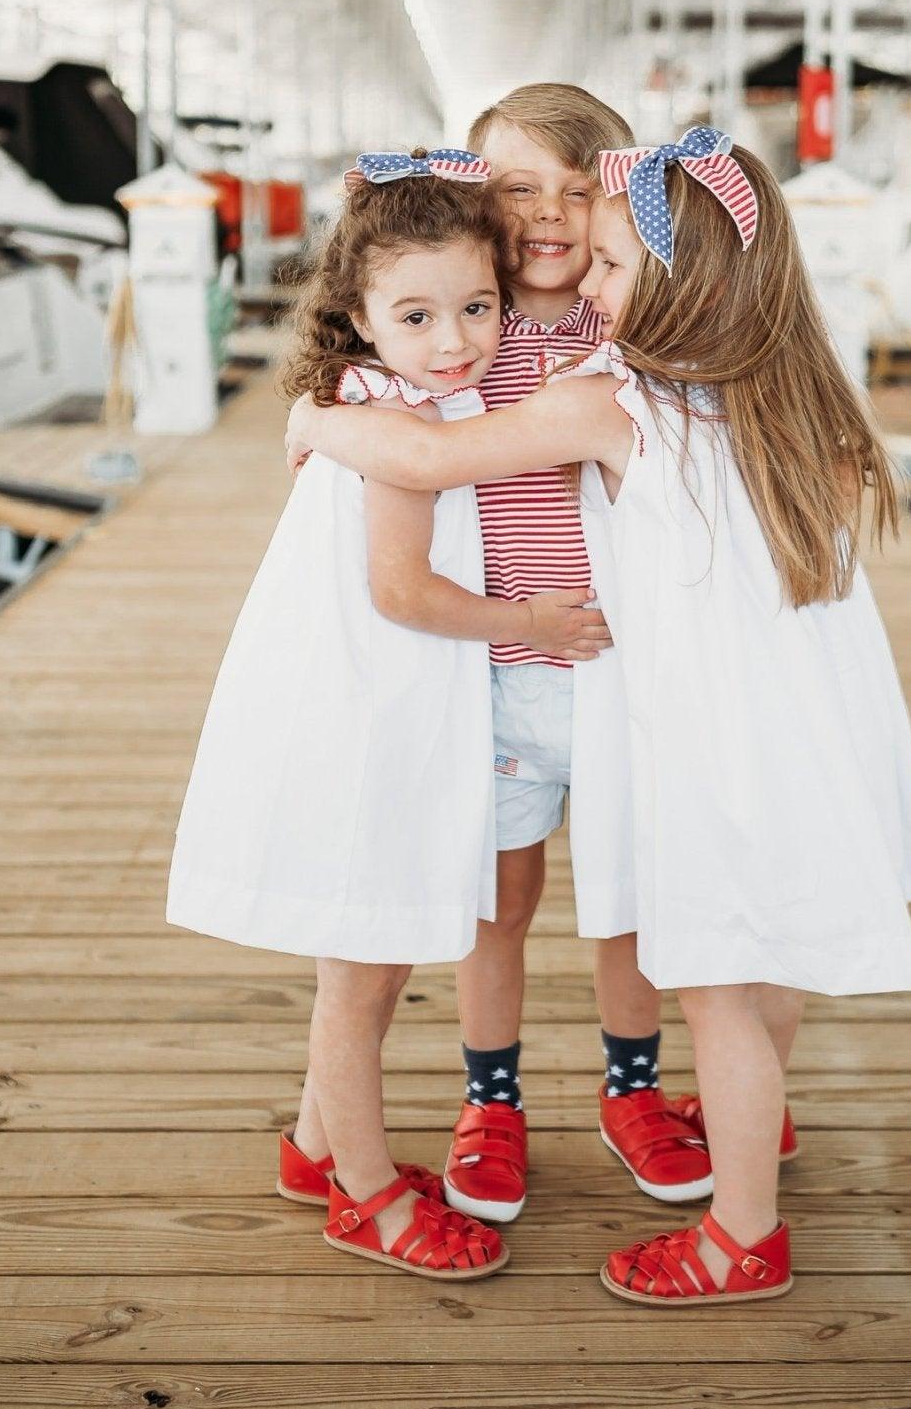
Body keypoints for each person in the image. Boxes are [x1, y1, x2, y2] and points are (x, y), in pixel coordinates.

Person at [285, 126, 911, 1307]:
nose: (589, 291)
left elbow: (433, 462)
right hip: (808, 723)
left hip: (707, 730)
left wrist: (313, 422)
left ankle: (739, 1233)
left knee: (717, 985)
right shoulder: (791, 390)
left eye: (609, 266)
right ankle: (737, 1116)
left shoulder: (614, 403)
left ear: (678, 282)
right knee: (764, 965)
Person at [167, 149, 609, 1282]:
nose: (455, 337)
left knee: (369, 958)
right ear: (356, 315)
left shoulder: (383, 399)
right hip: (366, 711)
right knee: (360, 976)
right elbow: (402, 591)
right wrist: (534, 621)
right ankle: (366, 1197)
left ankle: (315, 1149)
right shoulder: (396, 420)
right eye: (416, 313)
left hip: (368, 697)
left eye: (475, 306)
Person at [442, 84, 715, 1228]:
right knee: (497, 902)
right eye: (517, 188)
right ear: (476, 197)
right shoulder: (456, 321)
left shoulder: (627, 322)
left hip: (616, 672)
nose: (548, 215)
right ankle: (491, 1099)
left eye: (573, 187)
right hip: (499, 672)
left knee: (628, 903)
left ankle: (633, 1087)